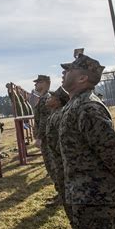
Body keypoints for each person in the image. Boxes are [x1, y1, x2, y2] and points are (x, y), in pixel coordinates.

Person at [59, 53, 115, 229]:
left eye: (70, 69)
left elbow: (113, 151)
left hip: (99, 200)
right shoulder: (76, 104)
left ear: (83, 78)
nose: (64, 72)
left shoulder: (88, 108)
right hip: (87, 198)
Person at [44, 87, 72, 218]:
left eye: (52, 97)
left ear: (58, 101)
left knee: (67, 190)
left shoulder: (60, 115)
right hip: (57, 158)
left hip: (62, 159)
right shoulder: (55, 114)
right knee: (63, 188)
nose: (48, 99)